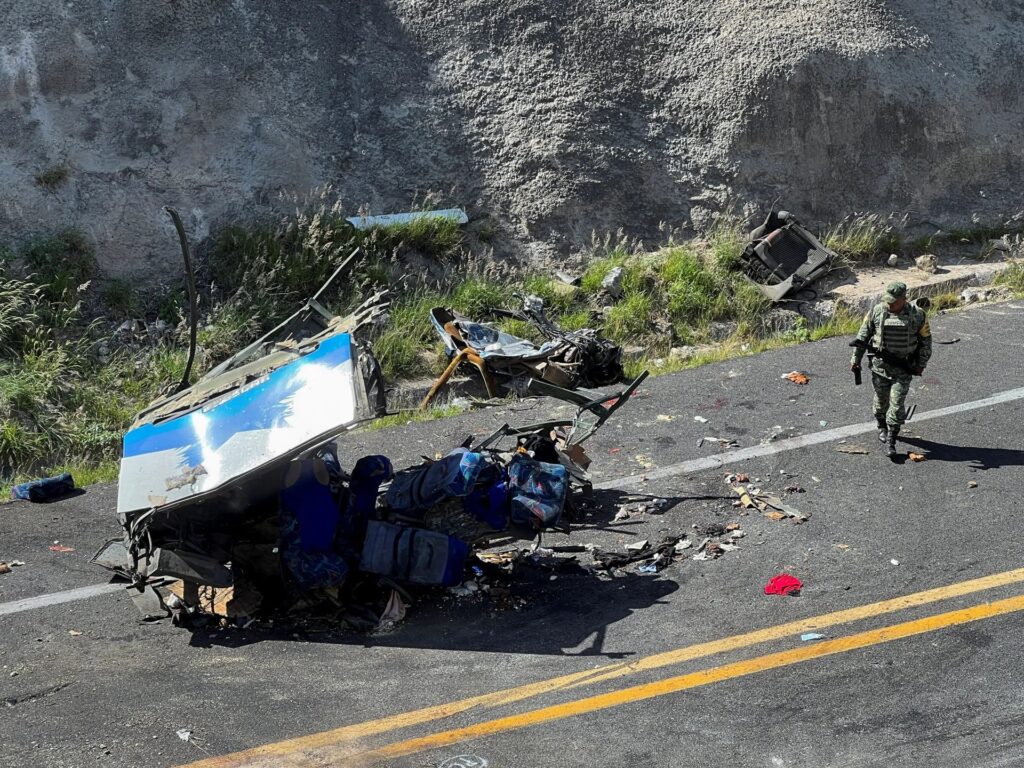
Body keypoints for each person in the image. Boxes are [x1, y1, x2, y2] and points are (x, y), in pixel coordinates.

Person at [850, 282, 932, 457]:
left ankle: (892, 440)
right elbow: (862, 336)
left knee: (896, 405)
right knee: (881, 402)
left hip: (903, 369)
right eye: (888, 301)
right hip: (879, 368)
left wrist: (921, 364)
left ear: (904, 299)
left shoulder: (918, 315)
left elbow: (926, 342)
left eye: (894, 302)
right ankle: (881, 426)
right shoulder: (876, 312)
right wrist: (855, 359)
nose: (890, 305)